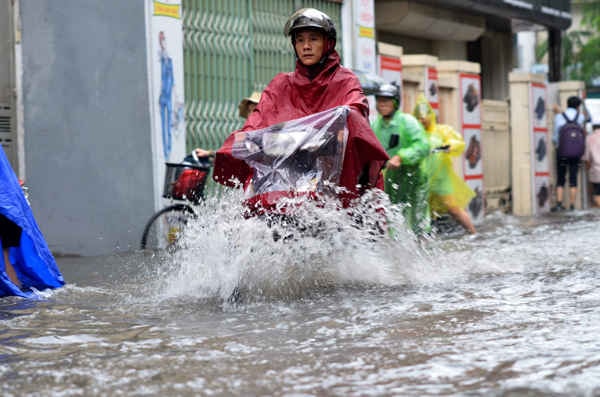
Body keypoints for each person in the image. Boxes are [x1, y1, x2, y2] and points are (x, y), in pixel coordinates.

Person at [212, 8, 388, 211]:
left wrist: (341, 120)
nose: (306, 46)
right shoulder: (280, 84)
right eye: (300, 40)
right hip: (287, 178)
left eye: (313, 39)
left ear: (328, 42)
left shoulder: (346, 80)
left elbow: (355, 109)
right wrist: (242, 139)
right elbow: (258, 119)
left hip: (336, 177)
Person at [0, 147, 64, 297]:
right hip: (10, 208)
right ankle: (14, 288)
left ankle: (13, 289)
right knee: (6, 254)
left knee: (5, 254)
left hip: (7, 211)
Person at [371, 84, 431, 235]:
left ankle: (423, 250)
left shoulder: (407, 121)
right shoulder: (375, 125)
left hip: (414, 177)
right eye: (380, 100)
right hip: (392, 179)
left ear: (396, 102)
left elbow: (423, 145)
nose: (383, 104)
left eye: (387, 100)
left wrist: (401, 157)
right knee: (394, 217)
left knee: (419, 218)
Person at [413, 94, 476, 234]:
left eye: (425, 115)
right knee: (419, 210)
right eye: (418, 116)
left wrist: (449, 146)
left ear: (431, 115)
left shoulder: (441, 131)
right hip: (421, 178)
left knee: (453, 208)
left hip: (441, 178)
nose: (422, 119)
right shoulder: (414, 133)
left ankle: (473, 232)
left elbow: (457, 142)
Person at [551, 96, 590, 211]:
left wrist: (558, 145)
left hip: (562, 151)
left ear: (567, 104)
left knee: (560, 177)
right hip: (576, 153)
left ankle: (559, 204)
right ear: (578, 106)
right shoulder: (581, 117)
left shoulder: (559, 117)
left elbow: (555, 137)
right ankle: (572, 205)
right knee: (573, 178)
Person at [583, 118, 600, 207]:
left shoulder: (589, 138)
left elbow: (587, 157)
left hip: (596, 170)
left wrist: (588, 168)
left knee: (597, 193)